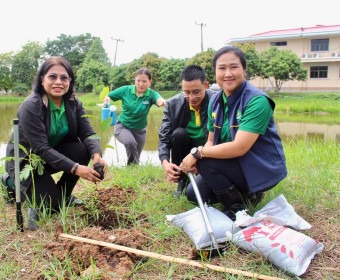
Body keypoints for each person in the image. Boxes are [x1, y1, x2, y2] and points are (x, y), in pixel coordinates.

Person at [181, 46, 287, 221]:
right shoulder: (215, 100)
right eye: (222, 68)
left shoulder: (257, 101)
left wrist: (197, 153)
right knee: (194, 194)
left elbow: (239, 147)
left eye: (234, 67)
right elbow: (210, 141)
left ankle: (236, 208)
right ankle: (246, 194)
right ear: (215, 72)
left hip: (259, 166)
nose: (228, 73)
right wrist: (200, 156)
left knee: (206, 161)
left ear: (244, 70)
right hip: (234, 162)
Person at [1, 56, 107, 230]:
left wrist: (97, 156)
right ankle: (10, 183)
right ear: (42, 79)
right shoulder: (31, 106)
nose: (59, 82)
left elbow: (89, 133)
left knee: (84, 149)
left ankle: (64, 195)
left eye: (64, 78)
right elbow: (41, 148)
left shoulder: (73, 102)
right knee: (51, 207)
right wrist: (77, 169)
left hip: (53, 155)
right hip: (29, 160)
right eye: (52, 77)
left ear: (70, 81)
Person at [158, 65, 215, 198]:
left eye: (196, 92)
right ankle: (182, 181)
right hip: (186, 149)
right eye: (187, 92)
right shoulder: (172, 104)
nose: (191, 97)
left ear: (206, 85)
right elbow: (164, 137)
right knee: (178, 134)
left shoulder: (216, 100)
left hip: (209, 148)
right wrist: (165, 162)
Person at [103, 68, 166, 165]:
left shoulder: (151, 94)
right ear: (135, 80)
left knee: (135, 157)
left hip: (140, 131)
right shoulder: (126, 90)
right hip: (122, 126)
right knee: (130, 143)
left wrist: (162, 102)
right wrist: (107, 98)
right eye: (138, 81)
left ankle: (132, 171)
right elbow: (109, 96)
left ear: (150, 82)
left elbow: (159, 99)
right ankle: (132, 168)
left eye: (144, 81)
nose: (141, 84)